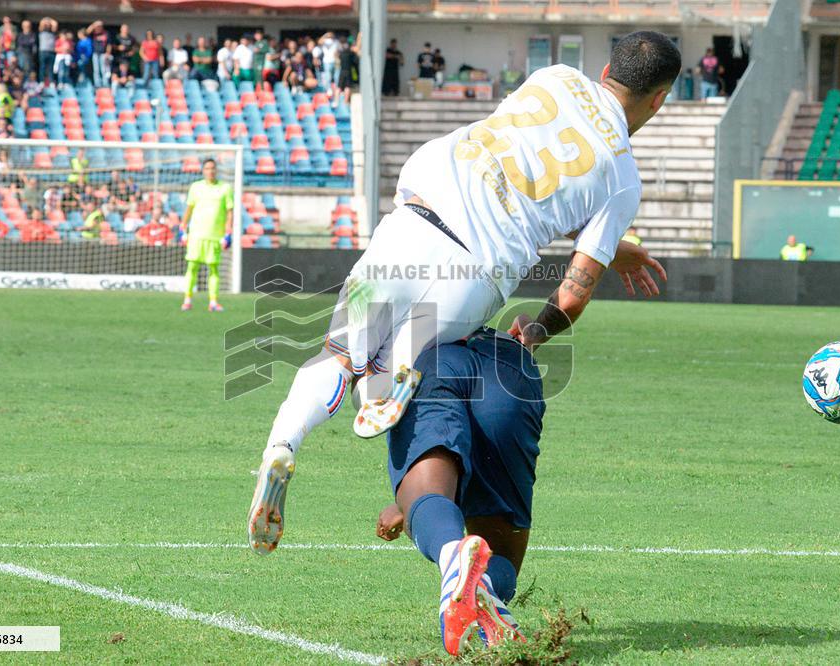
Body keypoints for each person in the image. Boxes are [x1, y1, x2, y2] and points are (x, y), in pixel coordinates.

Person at [248, 31, 678, 559]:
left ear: (608, 65)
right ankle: (386, 383)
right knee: (414, 351)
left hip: (411, 227)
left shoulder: (555, 77)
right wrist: (541, 327)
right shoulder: (623, 178)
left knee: (338, 352)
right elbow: (570, 292)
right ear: (659, 98)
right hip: (475, 275)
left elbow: (515, 164)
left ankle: (284, 444)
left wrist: (610, 243)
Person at [373, 328, 541, 654]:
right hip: (509, 365)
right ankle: (484, 584)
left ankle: (453, 562)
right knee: (500, 560)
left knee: (428, 501)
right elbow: (571, 299)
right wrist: (535, 327)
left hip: (435, 361)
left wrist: (414, 506)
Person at [180, 158, 234, 313]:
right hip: (196, 234)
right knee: (192, 267)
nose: (210, 171)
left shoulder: (225, 188)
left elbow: (230, 212)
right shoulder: (196, 187)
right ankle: (187, 299)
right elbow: (189, 209)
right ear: (203, 170)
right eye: (207, 168)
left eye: (212, 168)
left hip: (215, 236)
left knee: (214, 269)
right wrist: (183, 227)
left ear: (216, 170)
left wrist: (228, 233)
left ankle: (213, 302)